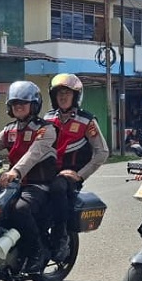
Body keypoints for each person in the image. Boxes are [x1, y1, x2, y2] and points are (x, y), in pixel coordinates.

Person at [0, 80, 57, 274]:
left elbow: (33, 154)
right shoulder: (9, 130)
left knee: (20, 209)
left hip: (38, 184)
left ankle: (36, 252)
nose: (18, 106)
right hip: (14, 184)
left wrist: (15, 171)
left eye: (23, 102)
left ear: (34, 105)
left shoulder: (45, 129)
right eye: (14, 103)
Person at [43, 73, 108, 261]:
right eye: (59, 93)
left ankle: (61, 235)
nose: (63, 97)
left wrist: (80, 175)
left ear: (75, 96)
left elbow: (102, 152)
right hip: (48, 171)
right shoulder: (48, 118)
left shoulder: (86, 120)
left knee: (57, 188)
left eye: (67, 93)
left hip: (69, 175)